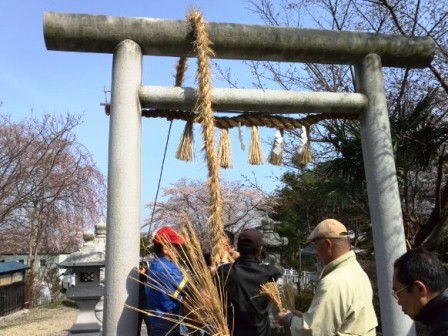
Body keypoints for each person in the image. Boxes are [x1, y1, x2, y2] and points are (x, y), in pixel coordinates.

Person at [278, 218, 378, 335]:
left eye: (316, 246)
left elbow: (314, 331)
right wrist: (304, 318)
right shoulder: (358, 271)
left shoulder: (333, 282)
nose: (317, 252)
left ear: (327, 244)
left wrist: (289, 320)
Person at [217, 228, 282, 336]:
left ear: (238, 248)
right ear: (260, 249)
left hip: (232, 332)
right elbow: (276, 270)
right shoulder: (268, 273)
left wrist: (227, 257)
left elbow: (220, 269)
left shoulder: (225, 272)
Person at [393, 248, 448, 335]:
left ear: (420, 289)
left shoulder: (443, 330)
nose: (399, 302)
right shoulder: (440, 317)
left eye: (398, 293)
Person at [145, 227, 188, 336]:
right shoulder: (167, 268)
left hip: (158, 323)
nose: (178, 251)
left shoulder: (156, 265)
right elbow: (189, 289)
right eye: (176, 247)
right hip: (167, 325)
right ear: (166, 249)